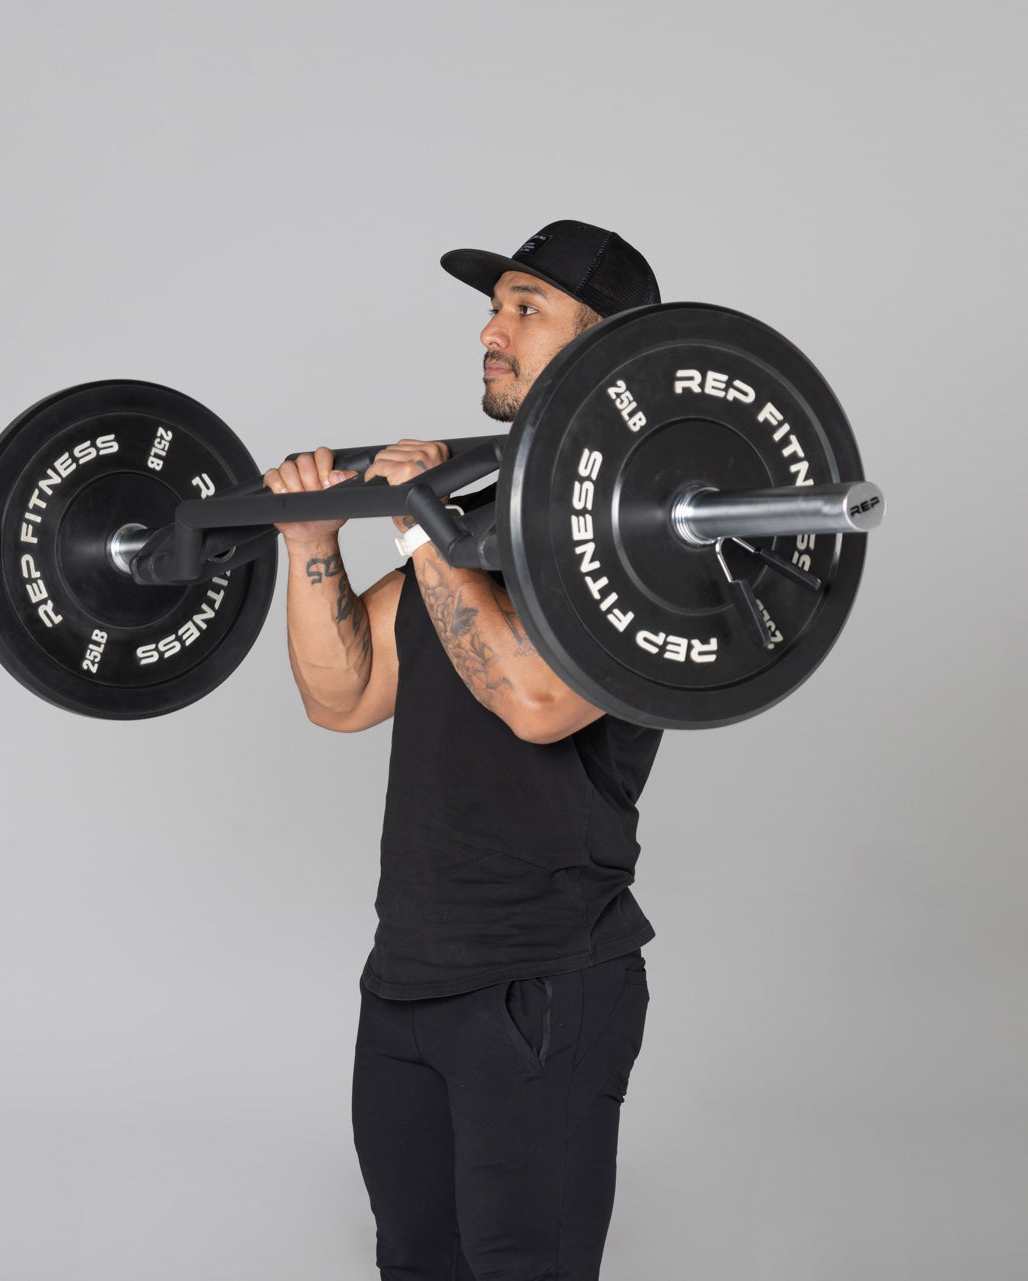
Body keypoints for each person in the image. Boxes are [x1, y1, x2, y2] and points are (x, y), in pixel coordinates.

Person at [261, 221, 666, 1281]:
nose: (492, 328)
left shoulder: (641, 544)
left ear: (601, 350)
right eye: (495, 307)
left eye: (527, 308)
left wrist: (418, 527)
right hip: (407, 984)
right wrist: (311, 548)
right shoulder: (473, 520)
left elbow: (536, 700)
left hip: (540, 990)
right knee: (414, 1268)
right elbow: (344, 697)